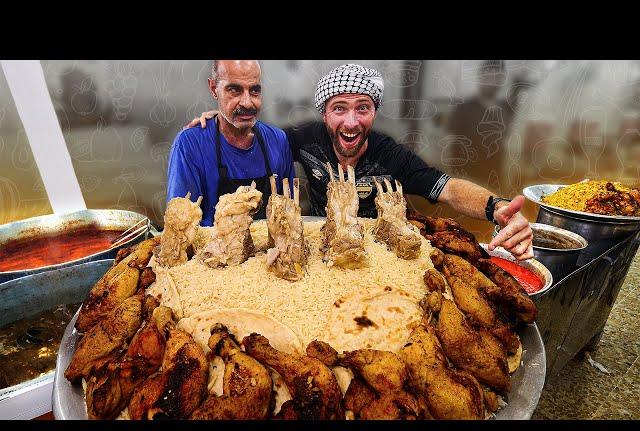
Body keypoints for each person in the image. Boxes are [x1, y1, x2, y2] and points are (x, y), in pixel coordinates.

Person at [186, 63, 533, 260]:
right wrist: (221, 120)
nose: (351, 123)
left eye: (362, 109)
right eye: (339, 109)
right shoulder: (305, 140)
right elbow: (254, 135)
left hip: (380, 256)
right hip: (325, 251)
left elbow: (449, 190)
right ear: (324, 115)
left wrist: (496, 207)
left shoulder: (389, 155)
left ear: (373, 112)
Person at [166, 60, 295, 225]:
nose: (247, 102)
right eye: (234, 90)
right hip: (213, 249)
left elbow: (289, 218)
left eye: (254, 90)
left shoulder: (277, 140)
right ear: (214, 89)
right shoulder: (190, 144)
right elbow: (181, 227)